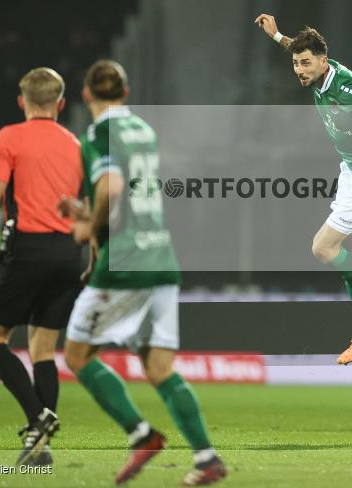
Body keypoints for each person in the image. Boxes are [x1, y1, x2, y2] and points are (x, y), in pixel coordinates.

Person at [59, 60, 226, 486]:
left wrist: (87, 226)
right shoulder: (144, 131)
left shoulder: (97, 134)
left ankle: (141, 434)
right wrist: (90, 214)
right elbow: (128, 196)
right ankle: (206, 459)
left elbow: (112, 188)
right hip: (161, 257)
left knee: (77, 355)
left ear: (86, 95)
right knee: (159, 369)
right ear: (127, 93)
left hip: (127, 264)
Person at [255, 14, 352, 364]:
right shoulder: (321, 71)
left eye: (305, 63)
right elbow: (301, 50)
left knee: (323, 248)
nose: (299, 69)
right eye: (296, 63)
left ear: (324, 62)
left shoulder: (347, 88)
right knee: (350, 252)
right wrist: (277, 35)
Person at [0, 67, 83, 466]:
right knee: (43, 348)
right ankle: (39, 449)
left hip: (29, 251)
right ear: (61, 104)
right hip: (67, 254)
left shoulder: (7, 139)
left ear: (22, 101)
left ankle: (37, 416)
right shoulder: (76, 145)